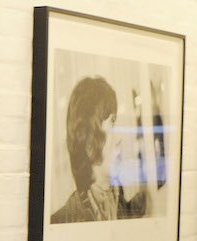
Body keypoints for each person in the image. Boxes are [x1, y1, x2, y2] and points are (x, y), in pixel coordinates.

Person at [50, 74, 149, 223]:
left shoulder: (119, 203)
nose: (119, 138)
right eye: (112, 123)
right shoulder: (61, 223)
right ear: (89, 138)